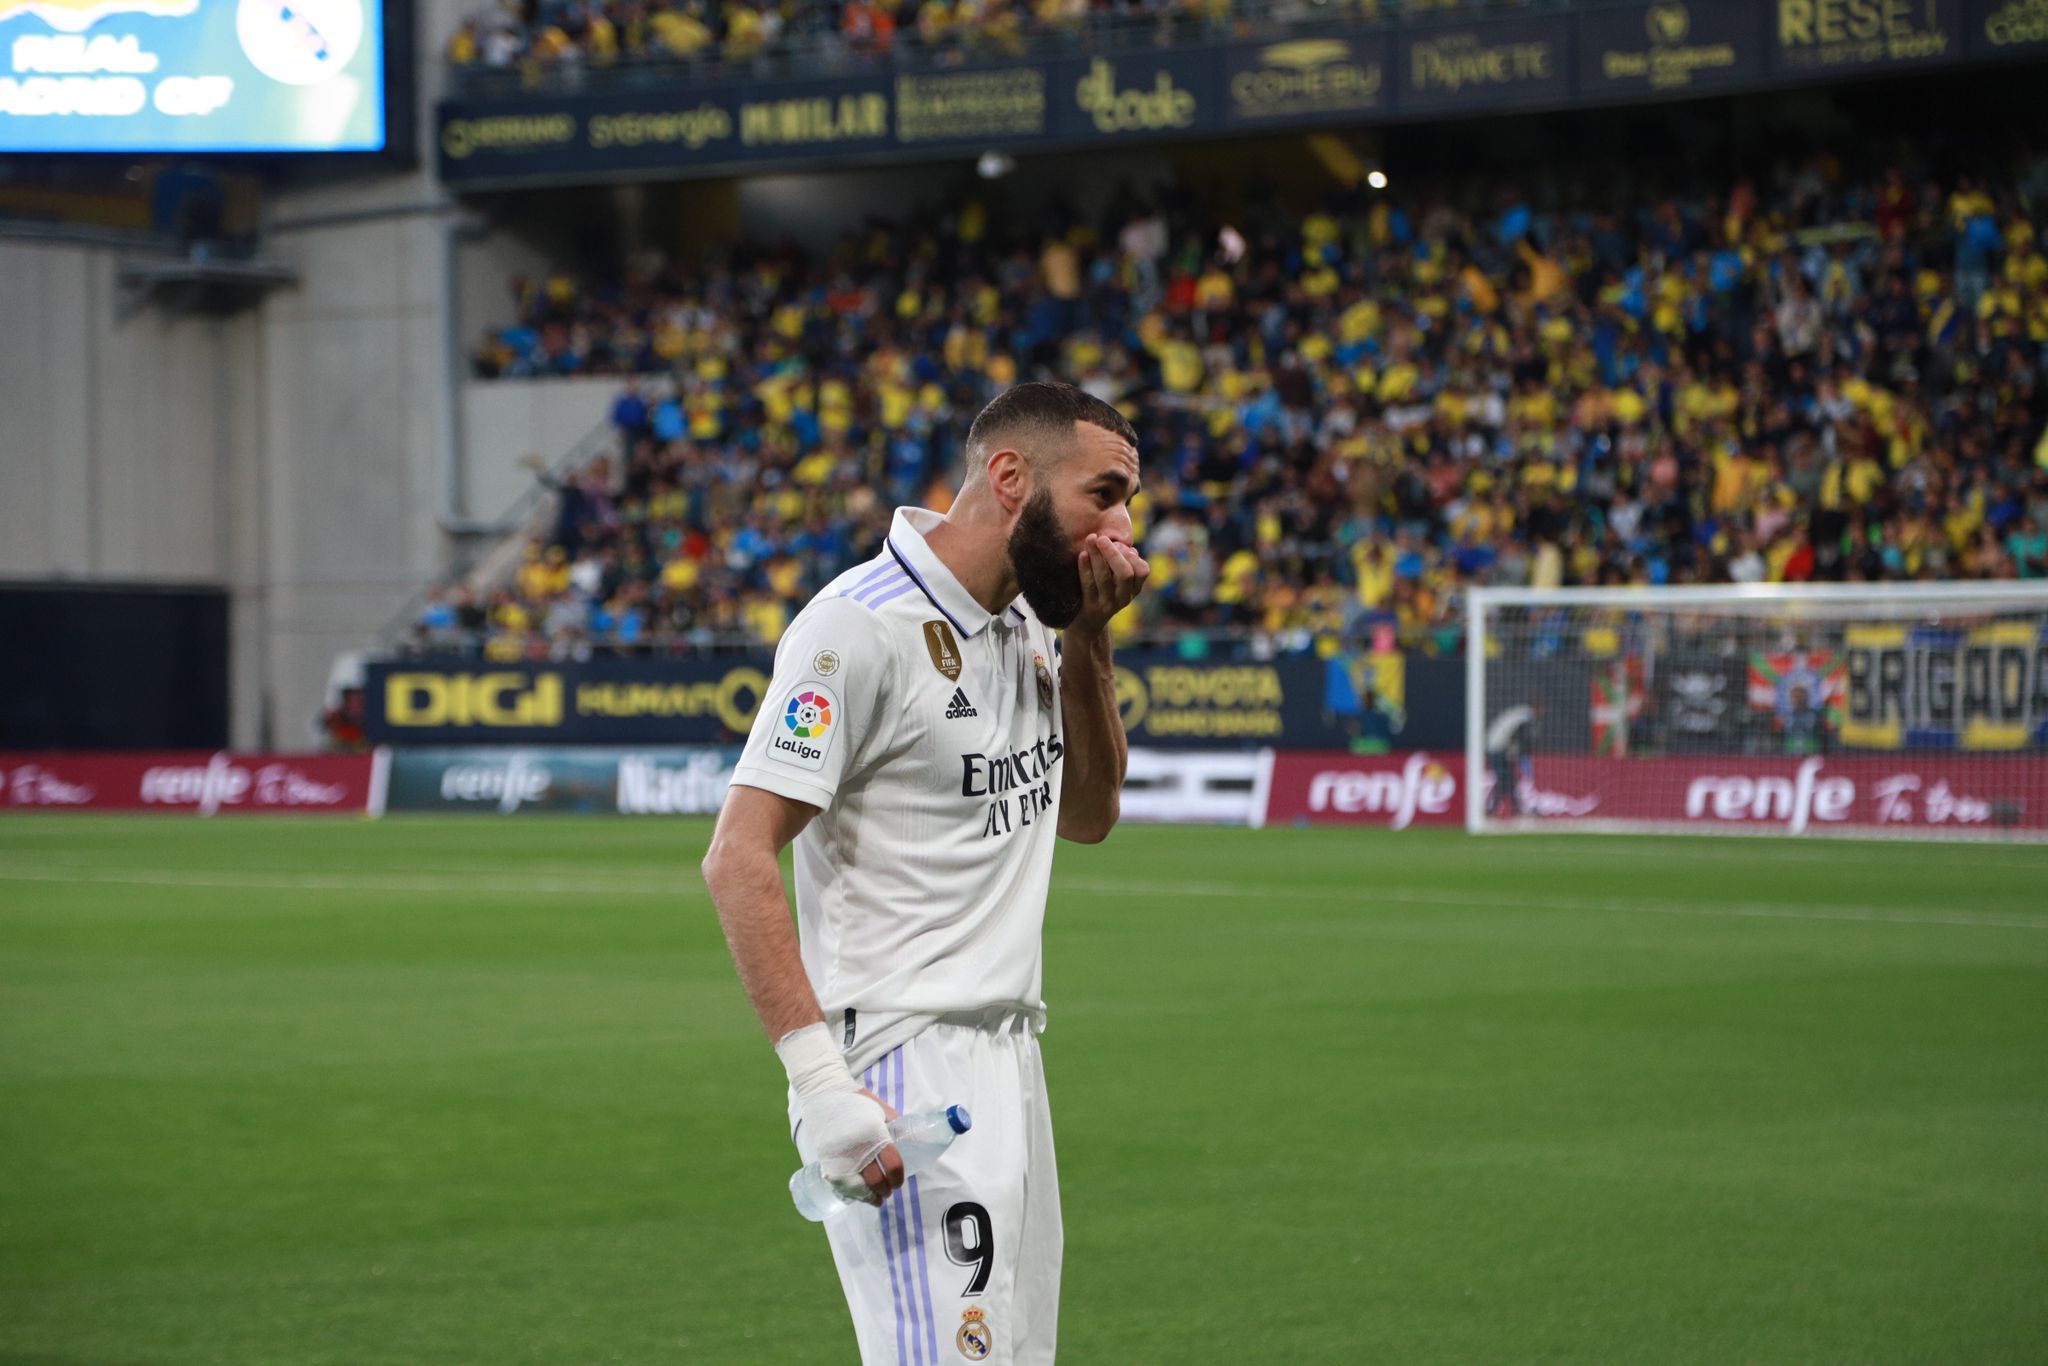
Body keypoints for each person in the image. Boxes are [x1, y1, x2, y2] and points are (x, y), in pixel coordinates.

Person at [701, 382, 1150, 1364]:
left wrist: (1087, 633)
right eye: (1104, 495)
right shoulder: (856, 628)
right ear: (1010, 478)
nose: (1122, 532)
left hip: (1011, 1058)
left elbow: (1087, 816)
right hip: (901, 1068)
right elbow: (736, 854)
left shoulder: (1030, 620)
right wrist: (821, 1087)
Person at [1485, 698, 1540, 817]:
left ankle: (1495, 809)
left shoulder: (1519, 713)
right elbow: (1516, 735)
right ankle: (1514, 809)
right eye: (1541, 709)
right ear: (1536, 708)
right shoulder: (1525, 717)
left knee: (1506, 780)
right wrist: (1516, 754)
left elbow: (1511, 733)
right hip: (1497, 749)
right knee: (1506, 780)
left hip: (1496, 747)